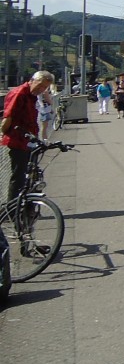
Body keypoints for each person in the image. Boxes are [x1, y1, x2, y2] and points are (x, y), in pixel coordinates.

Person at [2, 71, 55, 256]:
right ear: (32, 80)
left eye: (44, 88)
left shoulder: (32, 96)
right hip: (18, 141)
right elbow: (7, 117)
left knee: (31, 177)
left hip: (28, 141)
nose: (41, 89)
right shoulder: (19, 93)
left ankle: (25, 207)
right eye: (39, 85)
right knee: (18, 178)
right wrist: (4, 134)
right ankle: (12, 210)